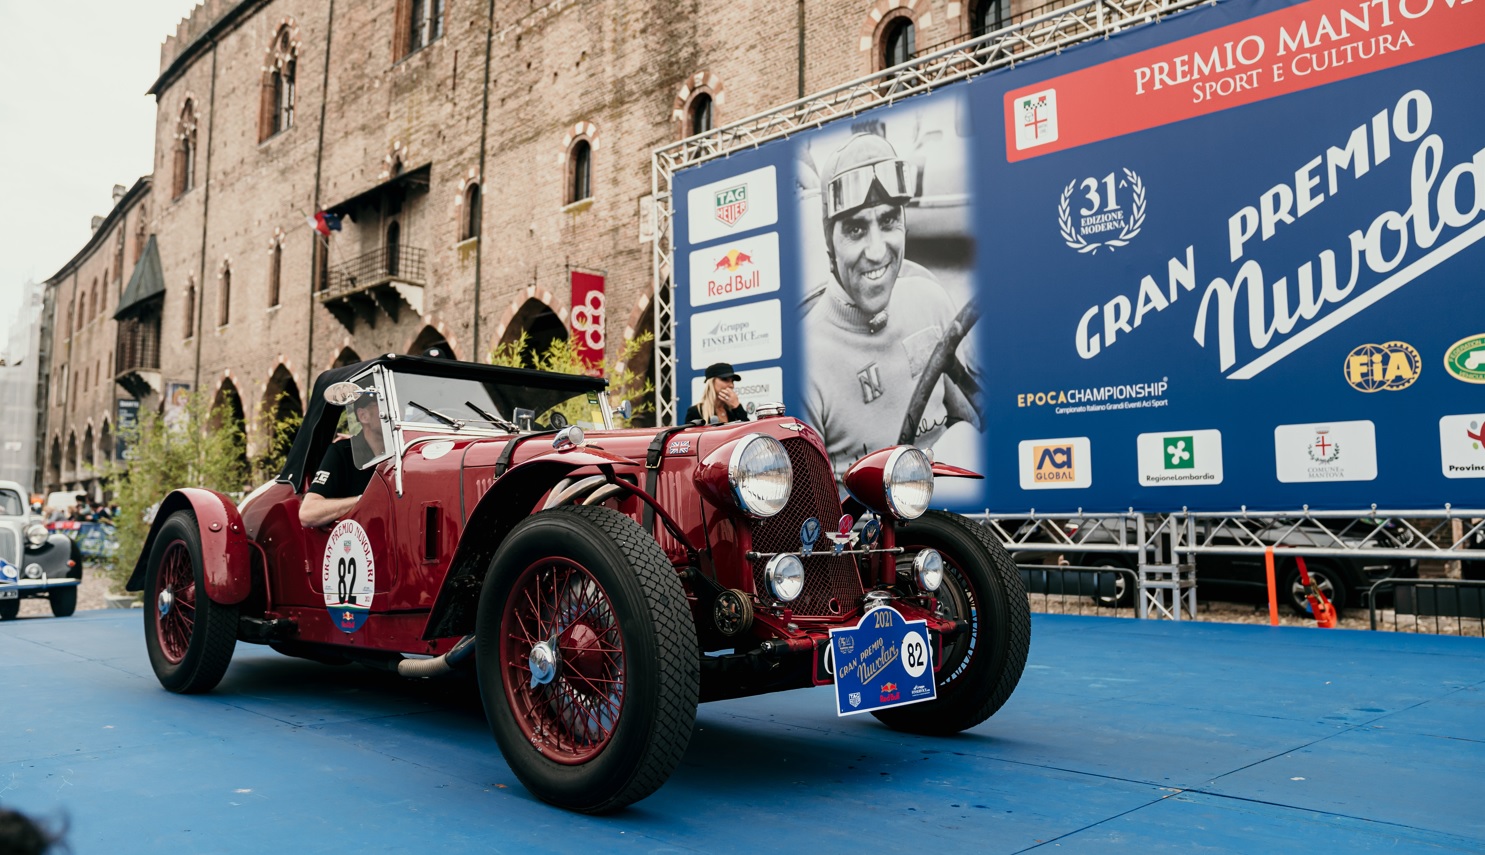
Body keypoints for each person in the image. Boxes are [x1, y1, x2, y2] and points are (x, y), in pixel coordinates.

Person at [801, 132, 980, 477]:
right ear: (829, 242)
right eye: (855, 229)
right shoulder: (808, 363)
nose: (877, 250)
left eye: (888, 221)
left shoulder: (930, 301)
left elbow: (972, 424)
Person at [299, 387, 387, 527]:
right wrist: (363, 500)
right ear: (363, 416)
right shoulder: (343, 452)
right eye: (384, 404)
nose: (398, 414)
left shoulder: (406, 456)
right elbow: (307, 513)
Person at [685, 362, 750, 424]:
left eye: (732, 381)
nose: (731, 385)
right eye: (725, 379)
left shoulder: (733, 410)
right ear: (712, 382)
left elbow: (747, 429)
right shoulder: (696, 411)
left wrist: (737, 406)